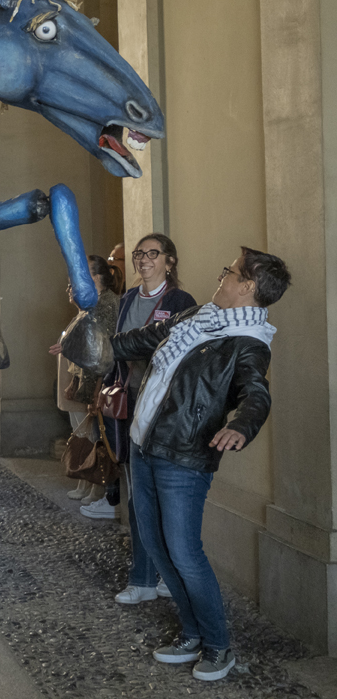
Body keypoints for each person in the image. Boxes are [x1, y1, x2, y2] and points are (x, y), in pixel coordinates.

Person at [115, 247, 290, 681]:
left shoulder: (249, 343)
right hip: (144, 442)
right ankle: (191, 633)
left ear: (247, 286)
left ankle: (218, 646)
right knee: (156, 545)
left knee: (185, 552)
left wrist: (242, 427)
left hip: (184, 456)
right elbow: (143, 340)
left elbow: (256, 393)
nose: (222, 277)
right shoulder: (198, 316)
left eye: (229, 272)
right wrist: (94, 346)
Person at [96, 234, 195, 605]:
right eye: (139, 254)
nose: (143, 260)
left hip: (164, 411)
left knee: (165, 497)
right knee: (138, 497)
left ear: (169, 261)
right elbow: (115, 353)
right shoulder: (127, 300)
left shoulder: (180, 302)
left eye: (153, 254)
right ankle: (142, 578)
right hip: (131, 404)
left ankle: (170, 575)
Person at [51, 255, 122, 499]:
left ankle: (98, 489)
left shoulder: (107, 305)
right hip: (84, 381)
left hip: (97, 383)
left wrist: (95, 390)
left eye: (85, 273)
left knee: (95, 437)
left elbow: (101, 353)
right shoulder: (91, 304)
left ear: (99, 277)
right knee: (82, 433)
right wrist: (74, 380)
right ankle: (86, 482)